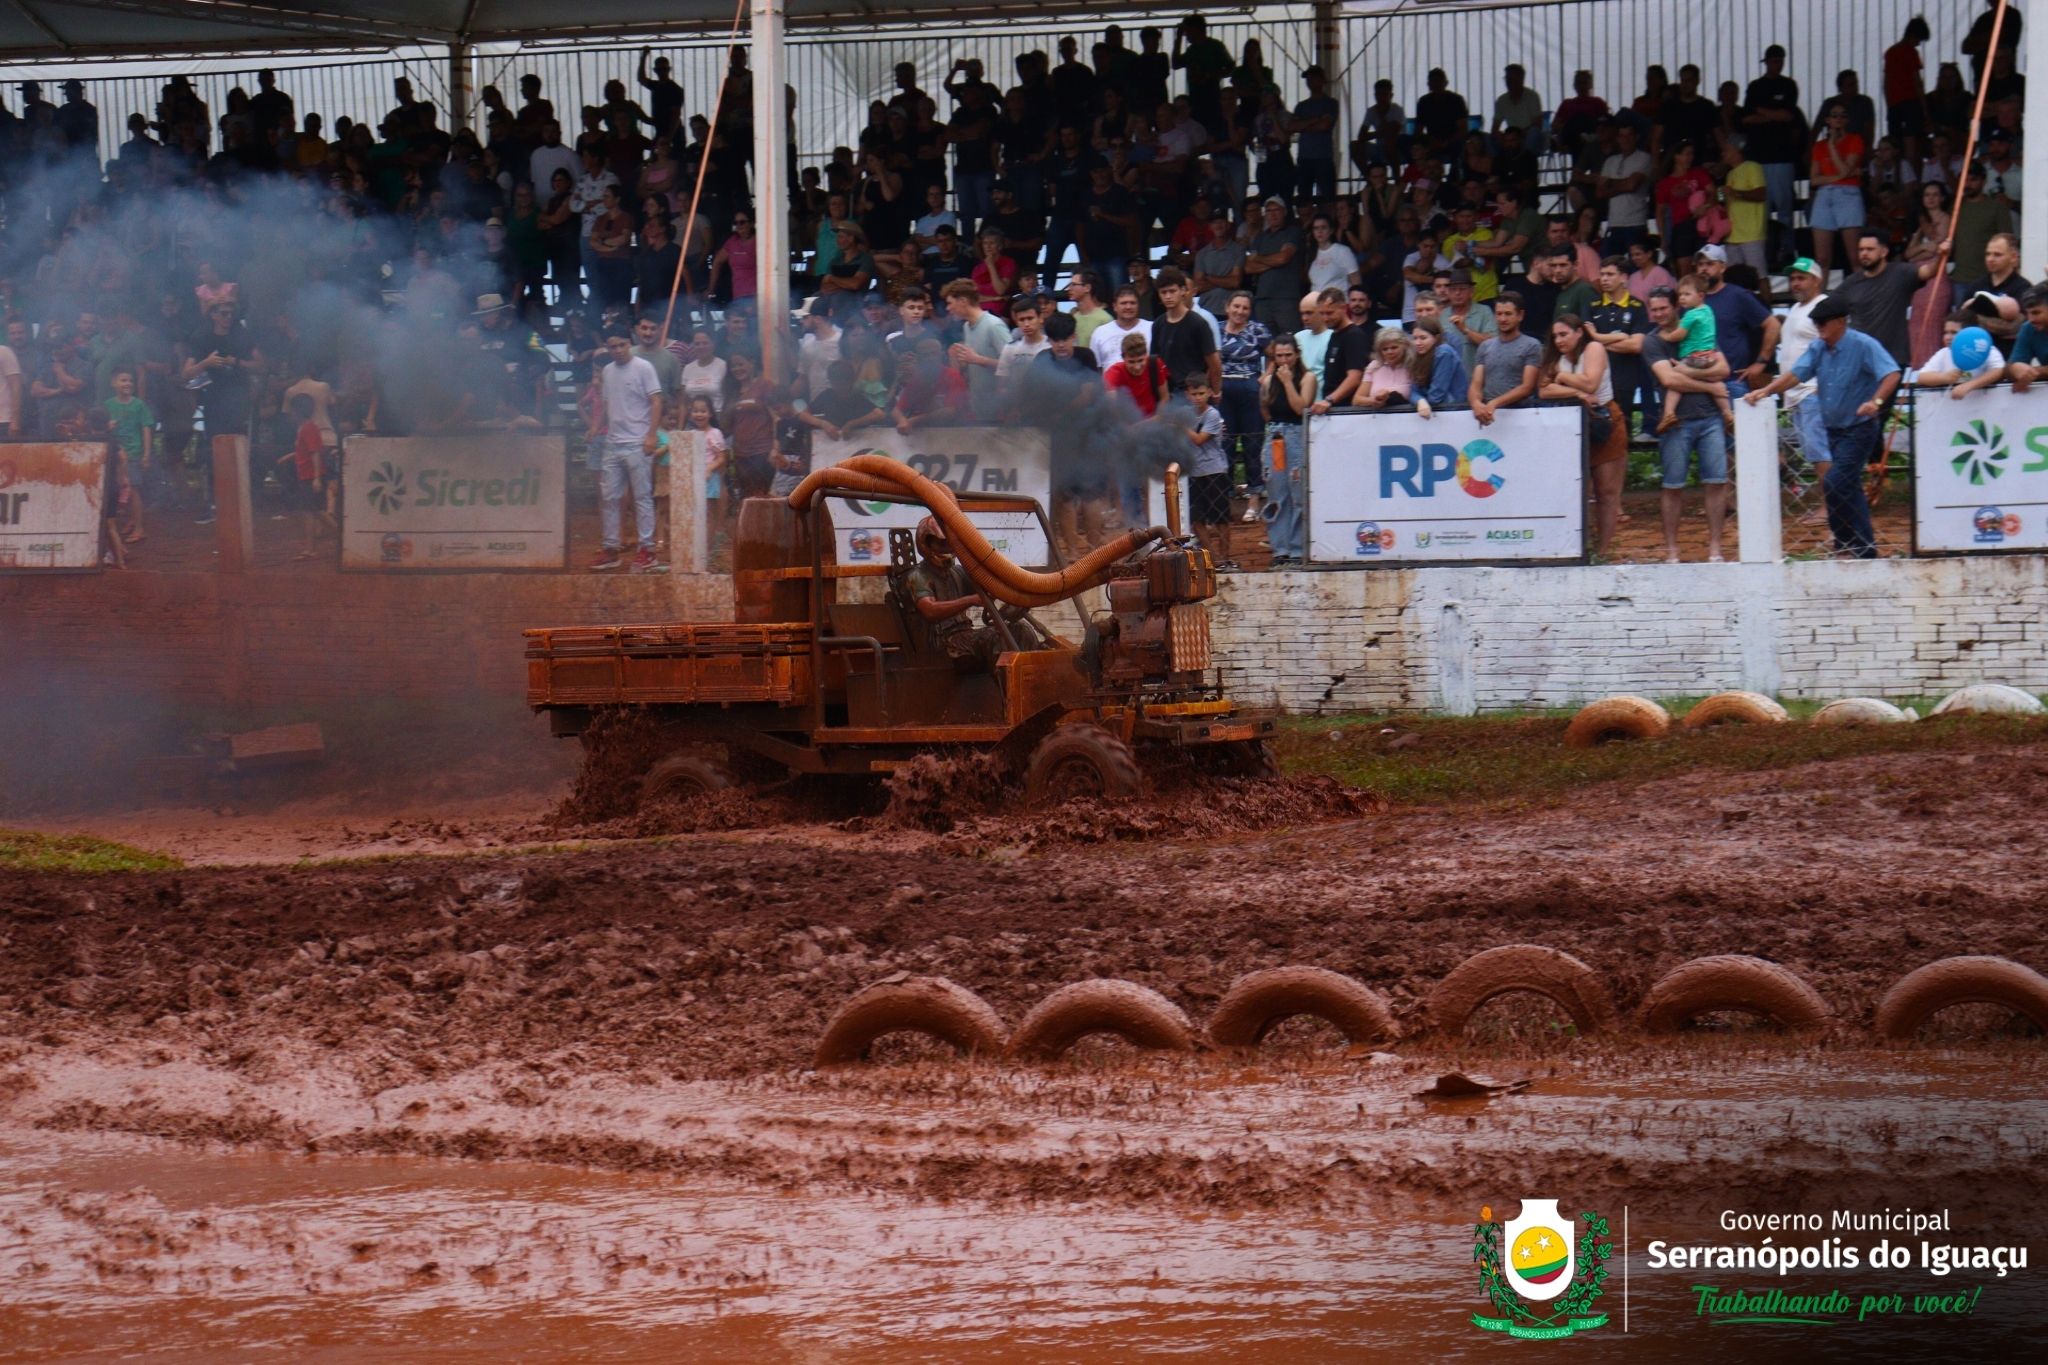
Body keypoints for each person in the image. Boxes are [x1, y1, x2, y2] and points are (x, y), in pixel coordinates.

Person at [1747, 295, 1902, 560]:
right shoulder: (1819, 348)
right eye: (1816, 324)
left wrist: (1876, 401)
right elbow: (1797, 374)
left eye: (1822, 323)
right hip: (1835, 429)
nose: (1819, 329)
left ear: (1840, 322)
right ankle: (1863, 548)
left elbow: (1892, 373)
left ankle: (1844, 542)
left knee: (1834, 481)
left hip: (1859, 427)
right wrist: (1768, 390)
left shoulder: (1863, 345)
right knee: (1848, 485)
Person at [1643, 287, 1729, 563]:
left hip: (1709, 418)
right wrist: (1713, 388)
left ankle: (1715, 548)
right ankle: (1672, 550)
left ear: (1675, 307)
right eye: (1653, 309)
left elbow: (1724, 369)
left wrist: (1685, 371)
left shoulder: (1697, 326)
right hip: (1676, 422)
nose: (1658, 314)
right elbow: (1669, 381)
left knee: (1717, 482)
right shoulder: (1651, 341)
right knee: (1672, 485)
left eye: (1663, 308)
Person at [1540, 315, 1624, 556]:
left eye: (1564, 334)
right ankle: (1578, 547)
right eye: (1555, 336)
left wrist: (1563, 378)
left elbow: (1591, 384)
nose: (1559, 340)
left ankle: (1603, 551)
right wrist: (1576, 394)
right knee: (1575, 488)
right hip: (1570, 423)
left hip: (1603, 418)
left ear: (1579, 332)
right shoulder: (1555, 357)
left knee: (1606, 491)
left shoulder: (1593, 347)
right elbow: (1544, 390)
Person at [590, 331, 664, 573]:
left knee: (642, 497)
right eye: (613, 346)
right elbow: (607, 404)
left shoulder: (644, 367)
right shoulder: (608, 371)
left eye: (622, 345)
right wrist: (596, 427)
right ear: (608, 348)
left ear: (629, 344)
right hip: (613, 442)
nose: (618, 350)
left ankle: (647, 550)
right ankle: (611, 548)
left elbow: (656, 401)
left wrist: (651, 435)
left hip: (638, 442)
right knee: (610, 497)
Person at [903, 515, 1006, 665]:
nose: (947, 548)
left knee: (1021, 631)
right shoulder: (917, 576)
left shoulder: (957, 572)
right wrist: (970, 600)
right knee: (997, 640)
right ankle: (1009, 686)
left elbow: (987, 586)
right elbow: (930, 611)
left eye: (950, 543)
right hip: (943, 642)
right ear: (927, 544)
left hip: (965, 635)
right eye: (941, 543)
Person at [1775, 257, 1833, 514]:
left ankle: (1830, 505)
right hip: (1797, 393)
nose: (1795, 283)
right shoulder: (1796, 310)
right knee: (1814, 452)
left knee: (1819, 452)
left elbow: (1834, 347)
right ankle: (1830, 503)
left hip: (1811, 390)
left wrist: (1824, 385)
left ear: (1817, 280)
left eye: (1802, 278)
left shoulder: (1823, 306)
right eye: (1793, 278)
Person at [1835, 233, 1940, 366]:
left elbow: (1929, 271)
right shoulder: (1851, 282)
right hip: (1861, 361)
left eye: (1870, 249)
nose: (1864, 253)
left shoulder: (1901, 273)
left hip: (1893, 359)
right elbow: (1830, 308)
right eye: (1861, 250)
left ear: (1884, 252)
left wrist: (1941, 254)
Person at [1260, 334, 1316, 566]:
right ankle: (1279, 549)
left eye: (1288, 355)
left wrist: (1287, 382)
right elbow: (1264, 408)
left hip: (1296, 434)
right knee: (1277, 493)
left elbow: (1300, 408)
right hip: (1275, 437)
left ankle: (1297, 549)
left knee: (1298, 493)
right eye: (1279, 356)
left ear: (1297, 354)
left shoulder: (1308, 377)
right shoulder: (1267, 380)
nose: (1284, 360)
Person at [1653, 274, 1734, 432]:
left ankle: (1668, 413)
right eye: (1680, 294)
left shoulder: (1691, 314)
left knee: (1676, 378)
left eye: (1687, 294)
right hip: (1710, 355)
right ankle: (1727, 413)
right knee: (1715, 383)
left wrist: (1667, 337)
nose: (1682, 298)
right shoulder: (1708, 311)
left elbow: (1680, 334)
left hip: (1694, 356)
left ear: (1701, 295)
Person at [1743, 43, 1806, 241]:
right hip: (1759, 157)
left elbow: (1789, 115)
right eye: (1774, 61)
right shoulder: (1756, 86)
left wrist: (1762, 111)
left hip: (1782, 156)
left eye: (1780, 61)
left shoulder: (1788, 85)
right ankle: (1766, 249)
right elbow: (1746, 118)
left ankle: (1787, 248)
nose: (1777, 65)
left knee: (1785, 207)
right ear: (1767, 62)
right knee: (1762, 208)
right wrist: (1774, 115)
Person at [1808, 104, 1866, 285]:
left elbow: (1844, 169)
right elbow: (1814, 180)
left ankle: (1864, 297)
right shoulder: (1818, 146)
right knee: (1822, 258)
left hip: (1848, 195)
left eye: (1842, 115)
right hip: (1825, 196)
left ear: (1847, 120)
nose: (1838, 119)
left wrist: (1832, 146)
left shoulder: (1855, 140)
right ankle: (1819, 302)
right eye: (1834, 116)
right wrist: (1840, 176)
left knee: (1855, 257)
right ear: (1828, 120)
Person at [1181, 377, 1235, 570]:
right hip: (1194, 471)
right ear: (1188, 394)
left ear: (1210, 393)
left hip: (1214, 470)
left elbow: (1199, 439)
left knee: (1221, 518)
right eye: (1194, 394)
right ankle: (1213, 558)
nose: (1197, 398)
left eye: (1201, 393)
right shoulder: (1186, 414)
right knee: (1197, 519)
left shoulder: (1213, 414)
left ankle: (1225, 558)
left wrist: (1181, 426)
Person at [1468, 291, 1541, 426]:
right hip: (1488, 415)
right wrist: (1476, 403)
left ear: (1520, 315)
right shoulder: (1485, 346)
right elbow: (1476, 383)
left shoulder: (1532, 345)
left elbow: (1527, 386)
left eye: (1508, 314)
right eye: (1499, 314)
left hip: (1521, 415)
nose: (1502, 319)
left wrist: (1495, 403)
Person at [942, 277, 1011, 417]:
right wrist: (961, 361)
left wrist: (978, 359)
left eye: (950, 303)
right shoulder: (967, 326)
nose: (947, 308)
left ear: (963, 301)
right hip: (978, 404)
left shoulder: (993, 325)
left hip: (998, 407)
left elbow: (1013, 365)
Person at [102, 369, 154, 551]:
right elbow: (102, 427)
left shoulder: (139, 405)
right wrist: (108, 426)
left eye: (130, 380)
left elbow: (146, 428)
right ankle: (131, 521)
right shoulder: (107, 405)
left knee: (134, 490)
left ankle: (139, 528)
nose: (127, 384)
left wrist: (147, 453)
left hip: (133, 453)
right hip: (115, 454)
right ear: (113, 383)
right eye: (123, 380)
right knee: (119, 491)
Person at [1150, 267, 1221, 396]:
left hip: (1194, 393)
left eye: (1172, 291)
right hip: (1168, 392)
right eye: (1163, 292)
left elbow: (1214, 364)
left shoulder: (1198, 323)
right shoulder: (1158, 324)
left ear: (1183, 291)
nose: (1168, 296)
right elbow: (1155, 363)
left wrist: (1215, 392)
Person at [275, 392, 325, 560]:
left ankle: (311, 549)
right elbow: (305, 451)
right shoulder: (304, 428)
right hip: (308, 475)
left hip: (310, 476)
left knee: (309, 512)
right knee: (317, 512)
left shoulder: (308, 428)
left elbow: (315, 453)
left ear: (298, 411)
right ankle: (342, 536)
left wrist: (317, 478)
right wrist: (289, 457)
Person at [1914, 313, 2005, 399]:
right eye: (1946, 332)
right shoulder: (1943, 353)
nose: (1948, 337)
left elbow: (1998, 370)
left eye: (1954, 333)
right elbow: (1921, 377)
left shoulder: (1986, 349)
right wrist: (1945, 378)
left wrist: (1969, 386)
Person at [1406, 315, 1467, 417]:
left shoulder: (1444, 352)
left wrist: (1420, 399)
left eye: (1423, 338)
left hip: (1454, 413)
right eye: (1415, 338)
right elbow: (1412, 391)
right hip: (1437, 413)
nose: (1418, 343)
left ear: (1436, 338)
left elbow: (1436, 395)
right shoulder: (1417, 356)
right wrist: (1420, 401)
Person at [2003, 289, 2048, 391]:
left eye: (2036, 313)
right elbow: (2008, 369)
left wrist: (2037, 371)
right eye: (2027, 313)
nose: (2030, 319)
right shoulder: (2028, 329)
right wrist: (2014, 370)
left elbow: (2037, 372)